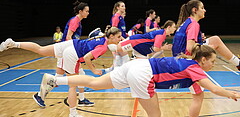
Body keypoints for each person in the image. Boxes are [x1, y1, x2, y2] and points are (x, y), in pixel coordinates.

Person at [39, 44, 240, 117]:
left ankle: (55, 80)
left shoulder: (188, 64)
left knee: (93, 83)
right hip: (144, 75)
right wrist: (232, 94)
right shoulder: (195, 69)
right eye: (212, 61)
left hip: (135, 66)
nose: (213, 64)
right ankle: (55, 81)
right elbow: (214, 89)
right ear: (203, 60)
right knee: (155, 114)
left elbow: (202, 92)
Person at [0, 26, 122, 117]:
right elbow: (86, 58)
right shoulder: (103, 47)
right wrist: (94, 70)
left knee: (41, 49)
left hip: (71, 44)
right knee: (72, 85)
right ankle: (73, 113)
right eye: (118, 37)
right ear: (111, 37)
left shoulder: (101, 36)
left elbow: (89, 45)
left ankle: (13, 43)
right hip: (72, 54)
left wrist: (90, 61)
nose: (120, 39)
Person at [172, 0, 240, 116]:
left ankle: (238, 63)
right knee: (215, 41)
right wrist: (205, 48)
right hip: (186, 62)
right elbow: (189, 47)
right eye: (202, 7)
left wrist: (201, 41)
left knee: (198, 96)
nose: (205, 10)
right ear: (195, 10)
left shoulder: (187, 22)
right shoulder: (193, 24)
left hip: (179, 60)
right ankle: (238, 63)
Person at [59, 1, 93, 107]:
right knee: (64, 79)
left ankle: (82, 99)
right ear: (80, 11)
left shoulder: (78, 21)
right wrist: (74, 52)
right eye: (86, 11)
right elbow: (69, 37)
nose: (88, 13)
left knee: (80, 76)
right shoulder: (75, 21)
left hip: (70, 52)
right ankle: (40, 95)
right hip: (67, 52)